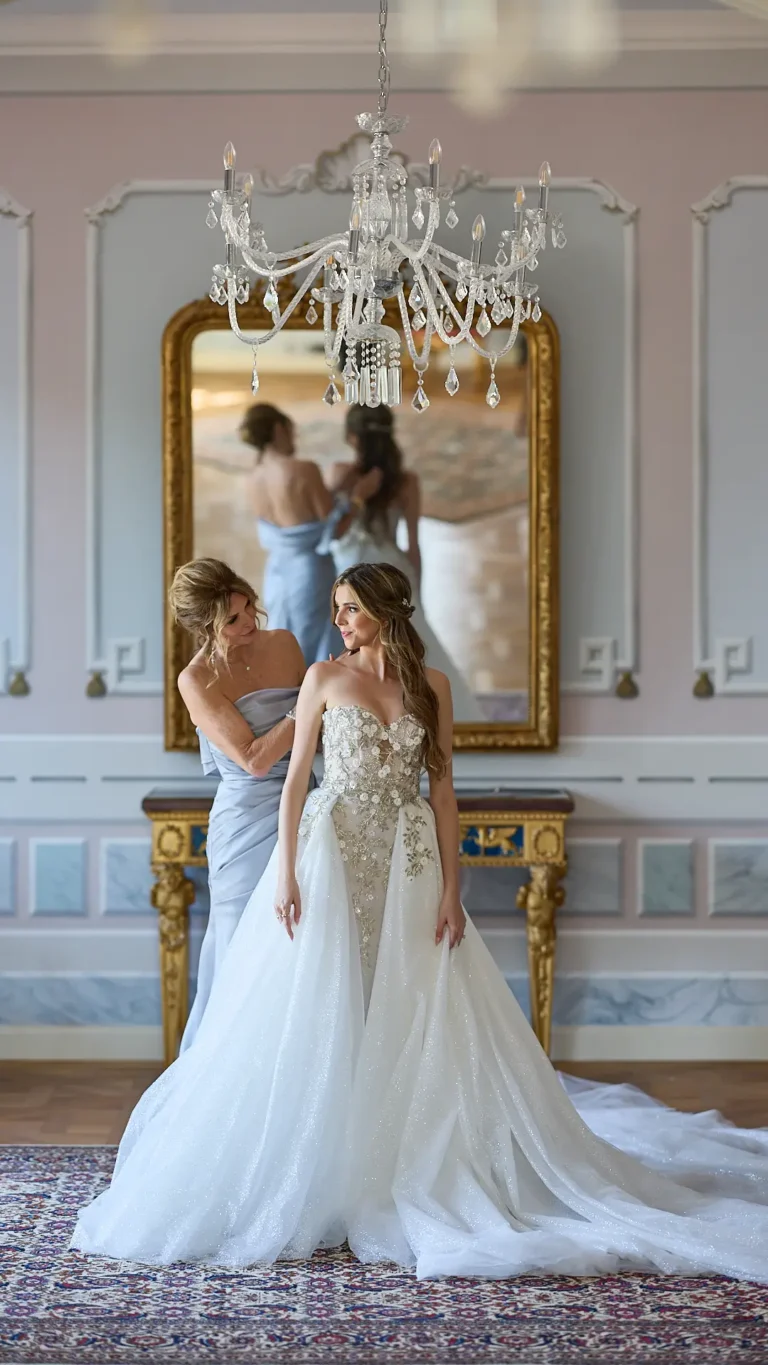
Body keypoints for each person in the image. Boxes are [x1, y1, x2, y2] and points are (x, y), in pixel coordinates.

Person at [72, 564, 768, 1282]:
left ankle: (410, 1155)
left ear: (381, 610)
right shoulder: (320, 677)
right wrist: (284, 870)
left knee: (405, 1001)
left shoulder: (432, 686)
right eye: (336, 609)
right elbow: (293, 779)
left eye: (349, 609)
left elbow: (442, 793)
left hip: (408, 864)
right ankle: (320, 1160)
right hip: (329, 854)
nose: (338, 620)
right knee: (321, 999)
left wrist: (452, 887)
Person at [170, 557, 305, 1050]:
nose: (249, 622)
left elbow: (324, 732)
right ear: (204, 626)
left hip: (307, 809)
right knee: (241, 951)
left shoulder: (285, 644)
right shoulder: (196, 679)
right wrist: (308, 703)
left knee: (300, 947)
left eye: (248, 607)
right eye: (232, 619)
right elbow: (254, 760)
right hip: (246, 825)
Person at [327, 405, 484, 721]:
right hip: (391, 567)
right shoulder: (405, 480)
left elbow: (330, 531)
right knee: (403, 644)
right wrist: (417, 593)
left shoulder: (341, 474)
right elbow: (412, 545)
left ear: (352, 436)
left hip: (352, 567)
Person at [244, 403, 379, 665]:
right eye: (291, 431)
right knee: (312, 642)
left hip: (276, 572)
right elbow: (333, 531)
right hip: (309, 571)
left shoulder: (252, 478)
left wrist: (334, 489)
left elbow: (295, 514)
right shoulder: (304, 469)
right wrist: (359, 498)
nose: (295, 438)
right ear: (279, 429)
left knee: (284, 639)